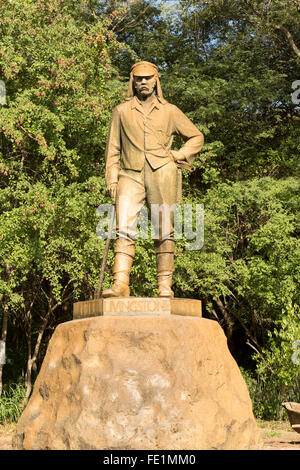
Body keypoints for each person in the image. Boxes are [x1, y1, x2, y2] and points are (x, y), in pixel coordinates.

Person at [102, 61, 204, 298]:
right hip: (129, 174)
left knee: (164, 229)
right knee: (123, 228)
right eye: (139, 78)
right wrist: (111, 180)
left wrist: (178, 155)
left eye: (148, 78)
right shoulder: (121, 111)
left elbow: (196, 137)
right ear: (133, 81)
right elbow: (112, 150)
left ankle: (164, 286)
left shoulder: (170, 111)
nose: (143, 82)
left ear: (156, 80)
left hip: (162, 173)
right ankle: (120, 284)